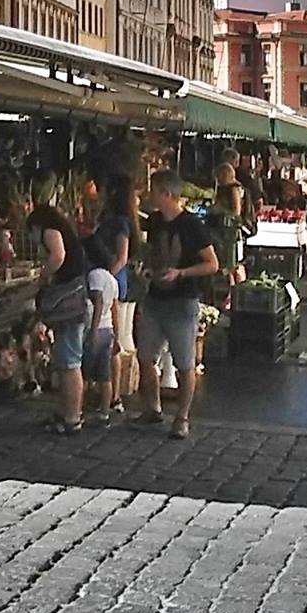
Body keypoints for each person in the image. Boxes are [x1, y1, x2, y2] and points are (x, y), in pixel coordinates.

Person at [133, 170, 220, 439]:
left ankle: (182, 417)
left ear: (167, 194)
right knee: (145, 356)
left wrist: (181, 273)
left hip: (182, 300)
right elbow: (154, 252)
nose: (150, 195)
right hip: (156, 298)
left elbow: (212, 264)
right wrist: (148, 270)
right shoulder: (157, 221)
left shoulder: (191, 225)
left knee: (184, 362)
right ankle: (153, 408)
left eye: (154, 190)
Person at [28, 195, 90, 434]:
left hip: (69, 302)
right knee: (66, 360)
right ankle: (66, 412)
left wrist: (45, 274)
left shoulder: (49, 231)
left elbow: (58, 255)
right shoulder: (64, 229)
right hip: (74, 298)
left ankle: (72, 417)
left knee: (69, 361)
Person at [87, 177, 136, 411]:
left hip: (114, 283)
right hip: (107, 281)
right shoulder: (107, 220)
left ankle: (114, 394)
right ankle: (108, 393)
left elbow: (122, 256)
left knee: (115, 342)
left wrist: (106, 274)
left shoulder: (119, 224)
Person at [82, 257, 119, 429]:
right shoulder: (112, 279)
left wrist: (93, 330)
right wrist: (117, 336)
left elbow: (99, 302)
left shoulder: (94, 276)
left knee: (84, 375)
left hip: (95, 329)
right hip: (108, 328)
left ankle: (78, 409)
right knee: (105, 377)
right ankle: (104, 413)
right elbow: (114, 308)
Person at [212, 161, 246, 287]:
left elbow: (236, 211)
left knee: (231, 264)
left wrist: (219, 210)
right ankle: (234, 290)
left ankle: (236, 290)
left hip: (229, 233)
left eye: (219, 176)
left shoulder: (233, 189)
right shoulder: (228, 188)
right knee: (231, 264)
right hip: (227, 231)